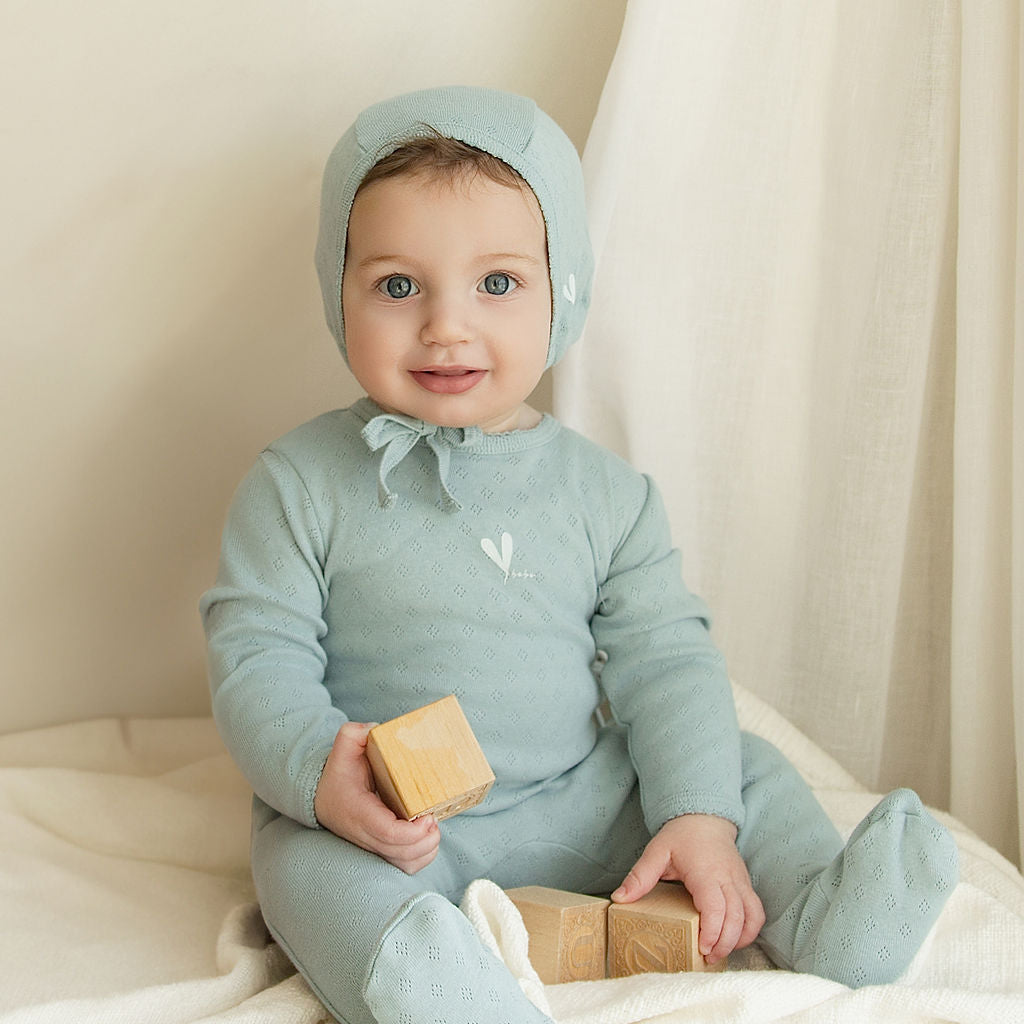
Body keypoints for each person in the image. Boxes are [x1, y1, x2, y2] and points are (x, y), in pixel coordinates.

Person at [200, 86, 958, 1024]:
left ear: (564, 292)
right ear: (338, 290)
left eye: (497, 284)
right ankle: (427, 979)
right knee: (298, 862)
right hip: (397, 826)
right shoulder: (298, 482)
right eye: (398, 286)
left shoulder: (607, 495)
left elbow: (666, 663)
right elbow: (255, 655)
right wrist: (323, 772)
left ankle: (821, 910)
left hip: (581, 800)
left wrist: (695, 815)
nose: (446, 325)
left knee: (735, 768)